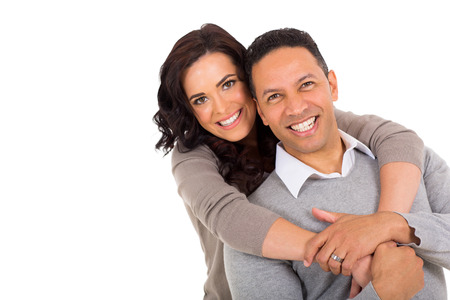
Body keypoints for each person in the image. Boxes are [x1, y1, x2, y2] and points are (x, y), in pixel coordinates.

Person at [154, 24, 425, 299]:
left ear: (251, 83)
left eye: (227, 84)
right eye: (201, 99)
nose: (222, 107)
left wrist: (382, 229)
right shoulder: (191, 157)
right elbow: (231, 218)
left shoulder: (290, 115)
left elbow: (397, 139)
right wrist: (349, 253)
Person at [223, 27, 450, 299]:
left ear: (332, 85)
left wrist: (394, 225)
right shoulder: (255, 228)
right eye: (275, 96)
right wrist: (383, 292)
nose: (295, 108)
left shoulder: (406, 160)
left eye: (306, 84)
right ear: (261, 111)